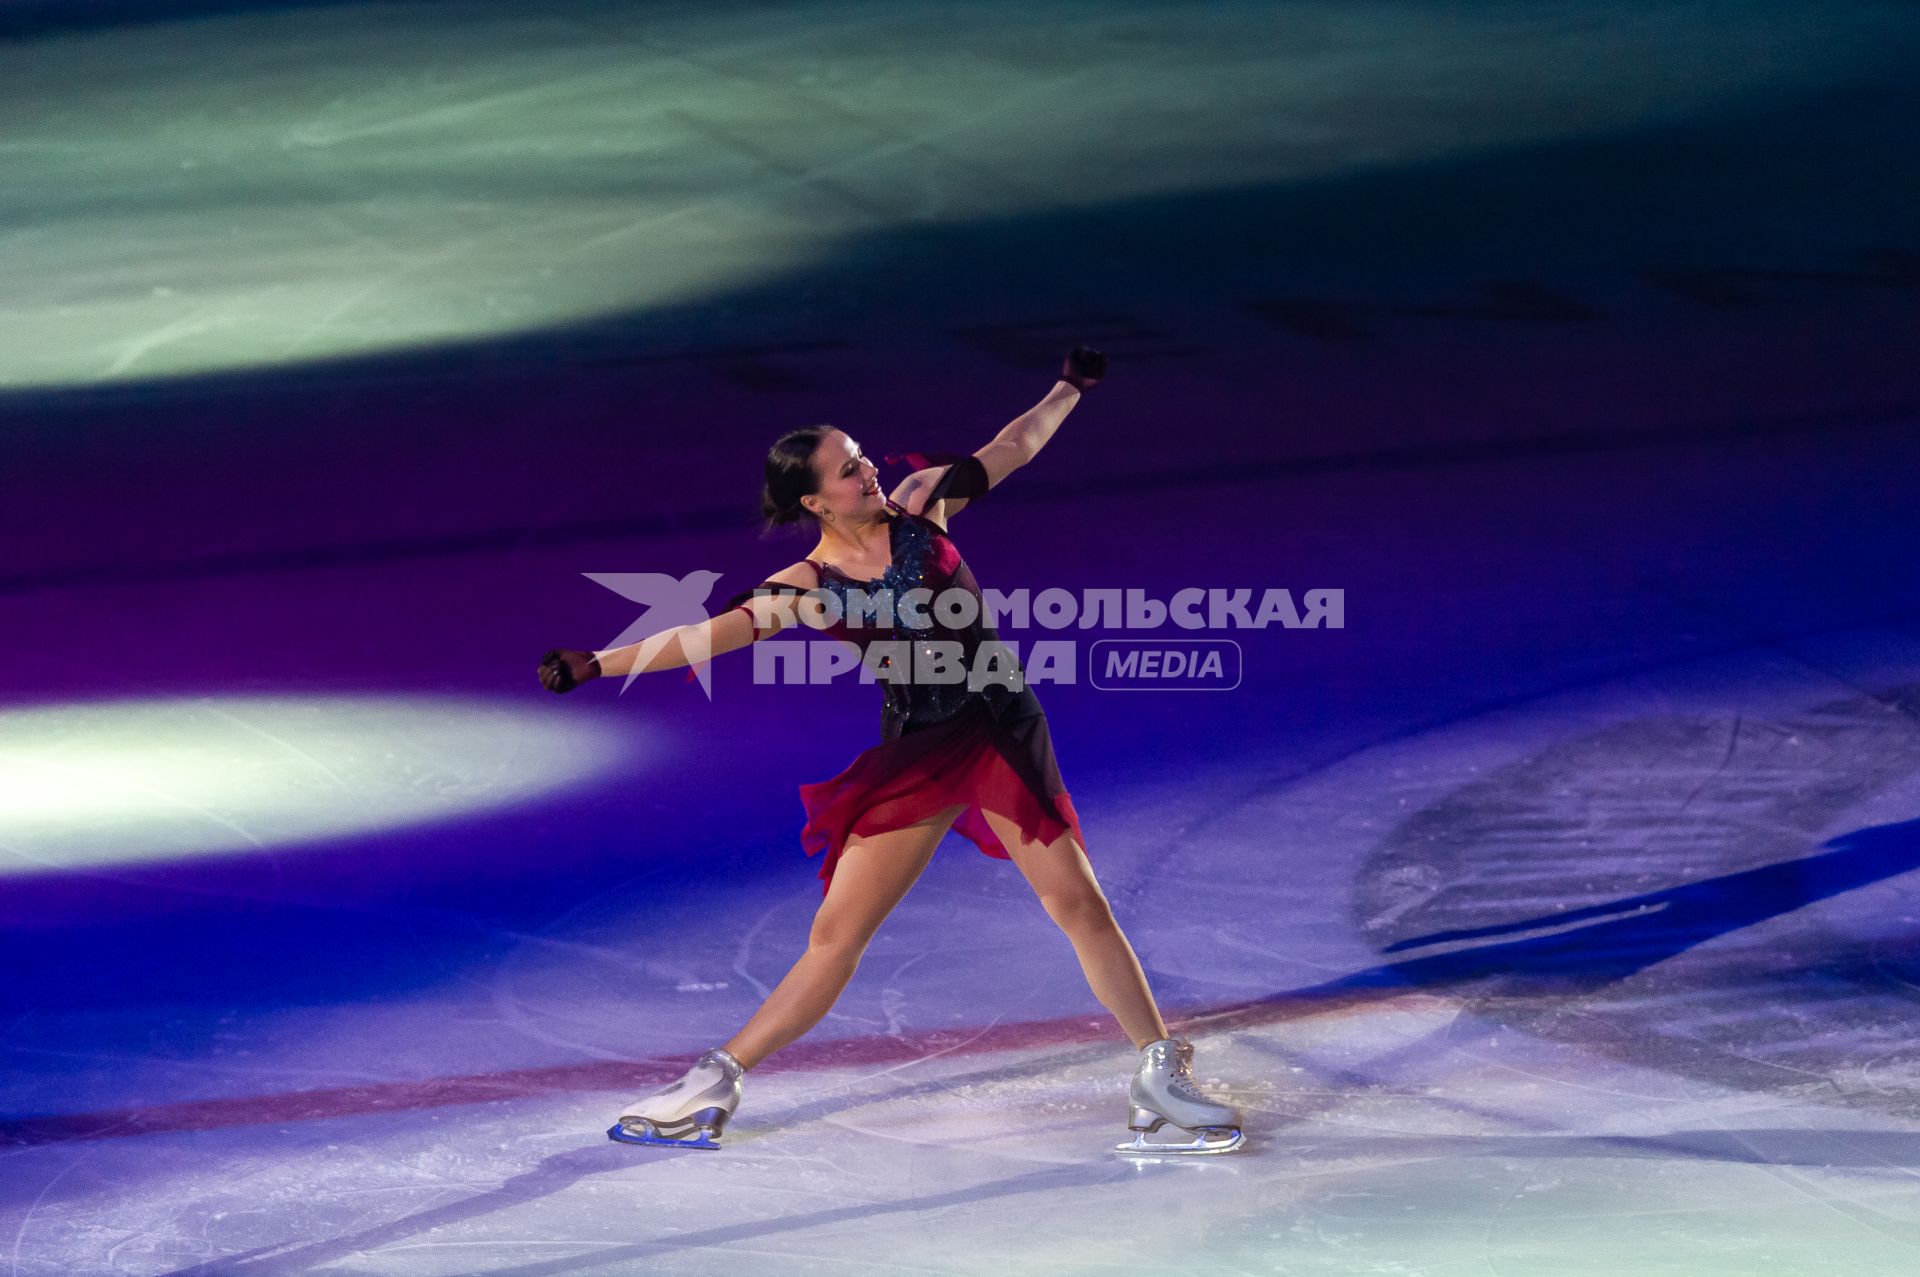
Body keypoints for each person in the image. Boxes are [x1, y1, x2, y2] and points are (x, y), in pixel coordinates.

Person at [537, 346, 1243, 1156]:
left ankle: (1156, 1073)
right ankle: (715, 1080)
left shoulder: (924, 505)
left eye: (860, 455)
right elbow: (703, 636)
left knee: (1077, 903)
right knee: (836, 935)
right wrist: (599, 662)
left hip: (1001, 727)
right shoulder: (800, 586)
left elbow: (1013, 446)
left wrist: (1068, 389)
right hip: (917, 749)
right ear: (814, 499)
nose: (865, 468)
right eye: (845, 468)